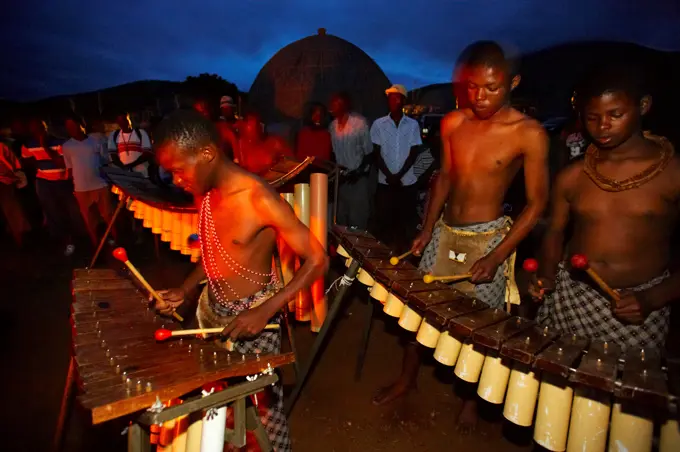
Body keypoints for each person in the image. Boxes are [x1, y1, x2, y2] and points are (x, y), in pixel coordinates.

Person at [374, 42, 550, 429]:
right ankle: (408, 379)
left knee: (479, 327)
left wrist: (498, 254)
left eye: (492, 88)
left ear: (513, 83)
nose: (480, 96)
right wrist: (425, 230)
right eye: (472, 87)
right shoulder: (452, 123)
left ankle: (472, 399)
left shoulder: (529, 133)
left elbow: (536, 204)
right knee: (419, 312)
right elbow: (445, 178)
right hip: (444, 232)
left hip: (488, 238)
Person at [153, 110, 328, 451]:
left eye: (177, 170)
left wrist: (266, 311)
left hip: (255, 322)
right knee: (214, 403)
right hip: (210, 312)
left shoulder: (257, 197)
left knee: (264, 412)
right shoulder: (205, 192)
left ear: (206, 154)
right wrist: (185, 289)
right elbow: (216, 253)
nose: (175, 180)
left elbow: (318, 259)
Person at [531, 63, 680, 353]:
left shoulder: (673, 174)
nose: (603, 126)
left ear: (643, 106)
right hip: (571, 298)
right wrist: (546, 276)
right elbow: (554, 233)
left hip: (642, 306)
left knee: (622, 392)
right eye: (592, 118)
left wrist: (654, 297)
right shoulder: (572, 176)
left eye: (616, 114)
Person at [370, 84, 423, 251]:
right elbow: (376, 153)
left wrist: (398, 176)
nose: (393, 101)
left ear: (403, 101)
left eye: (397, 97)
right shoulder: (379, 124)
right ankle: (384, 257)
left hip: (406, 183)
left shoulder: (412, 125)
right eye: (391, 98)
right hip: (385, 183)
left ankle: (403, 257)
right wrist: (390, 176)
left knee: (405, 223)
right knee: (385, 223)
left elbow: (414, 152)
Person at [22, 119, 81, 255]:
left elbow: (62, 163)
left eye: (40, 128)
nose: (37, 132)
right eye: (34, 129)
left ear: (45, 128)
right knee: (52, 212)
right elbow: (27, 161)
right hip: (44, 182)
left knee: (69, 212)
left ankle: (75, 239)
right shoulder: (29, 144)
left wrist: (45, 147)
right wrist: (39, 168)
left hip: (62, 181)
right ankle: (63, 242)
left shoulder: (59, 142)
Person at [62, 114, 117, 247]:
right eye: (68, 127)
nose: (71, 129)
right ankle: (96, 244)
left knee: (108, 215)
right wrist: (72, 187)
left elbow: (105, 161)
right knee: (89, 219)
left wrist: (109, 180)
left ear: (81, 125)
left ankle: (116, 241)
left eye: (73, 125)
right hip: (81, 188)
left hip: (99, 185)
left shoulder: (95, 141)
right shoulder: (67, 146)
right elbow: (69, 168)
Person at [328, 92, 374, 229]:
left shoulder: (359, 123)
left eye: (335, 103)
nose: (331, 106)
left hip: (357, 178)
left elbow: (369, 153)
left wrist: (358, 172)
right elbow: (332, 153)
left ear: (344, 105)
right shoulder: (332, 126)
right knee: (341, 218)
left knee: (358, 219)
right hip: (341, 180)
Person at [0, 141, 30, 246]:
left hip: (4, 182)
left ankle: (19, 240)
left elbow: (11, 163)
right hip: (5, 181)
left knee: (12, 210)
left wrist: (12, 175)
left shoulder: (1, 146)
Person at [107, 112, 153, 177]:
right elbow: (113, 156)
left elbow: (147, 154)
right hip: (125, 175)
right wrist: (123, 167)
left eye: (124, 120)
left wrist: (130, 165)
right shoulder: (114, 135)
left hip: (141, 172)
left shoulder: (141, 133)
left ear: (129, 120)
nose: (122, 123)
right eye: (119, 121)